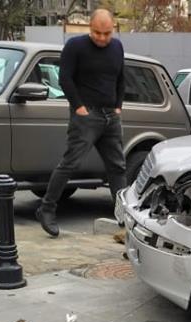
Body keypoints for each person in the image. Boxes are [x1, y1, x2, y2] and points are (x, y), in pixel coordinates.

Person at [36, 9, 126, 238]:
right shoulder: (75, 46)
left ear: (113, 29)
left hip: (110, 116)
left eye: (107, 33)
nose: (102, 38)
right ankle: (47, 209)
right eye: (97, 32)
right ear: (89, 27)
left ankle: (124, 217)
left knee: (117, 167)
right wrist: (79, 107)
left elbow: (121, 77)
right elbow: (64, 78)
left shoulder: (117, 47)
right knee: (70, 163)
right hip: (87, 115)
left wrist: (118, 106)